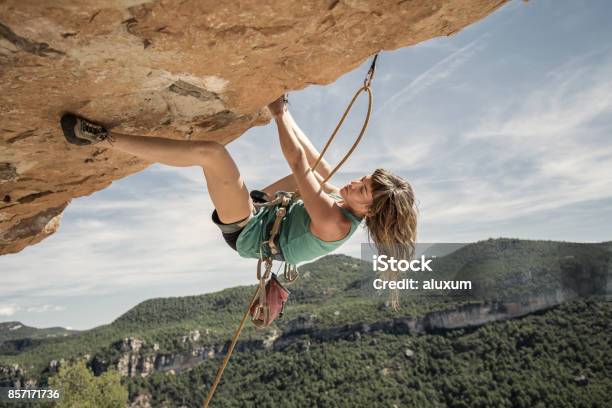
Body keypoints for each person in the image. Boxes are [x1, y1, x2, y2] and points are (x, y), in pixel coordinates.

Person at [61, 96, 417, 305]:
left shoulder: (334, 222)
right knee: (323, 169)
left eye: (363, 189)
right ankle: (285, 110)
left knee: (213, 154)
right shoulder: (345, 209)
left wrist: (276, 113)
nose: (355, 182)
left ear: (370, 210)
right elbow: (313, 167)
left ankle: (102, 138)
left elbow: (297, 163)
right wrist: (286, 110)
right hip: (268, 212)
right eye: (364, 178)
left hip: (248, 230)